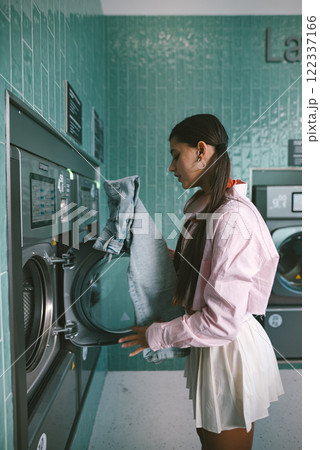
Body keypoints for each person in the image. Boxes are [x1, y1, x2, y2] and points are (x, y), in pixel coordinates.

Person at [119, 114, 284, 450]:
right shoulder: (210, 209)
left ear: (201, 151)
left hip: (227, 347)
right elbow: (200, 273)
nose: (171, 167)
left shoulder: (232, 218)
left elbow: (222, 322)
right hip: (211, 347)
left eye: (174, 154)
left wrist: (158, 335)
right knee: (209, 441)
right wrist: (143, 246)